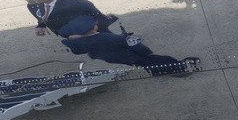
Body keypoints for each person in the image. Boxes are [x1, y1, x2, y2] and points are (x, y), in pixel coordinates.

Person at [58, 15, 198, 76]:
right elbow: (133, 44)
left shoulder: (78, 42)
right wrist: (147, 52)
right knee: (156, 60)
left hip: (111, 58)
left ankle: (157, 71)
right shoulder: (111, 37)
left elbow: (68, 42)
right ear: (95, 28)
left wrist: (77, 37)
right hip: (130, 55)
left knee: (145, 65)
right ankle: (179, 68)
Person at [24, 0, 115, 37]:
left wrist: (101, 20)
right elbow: (40, 15)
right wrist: (41, 25)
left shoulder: (70, 2)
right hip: (65, 31)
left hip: (84, 27)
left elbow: (88, 5)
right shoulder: (33, 5)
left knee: (106, 38)